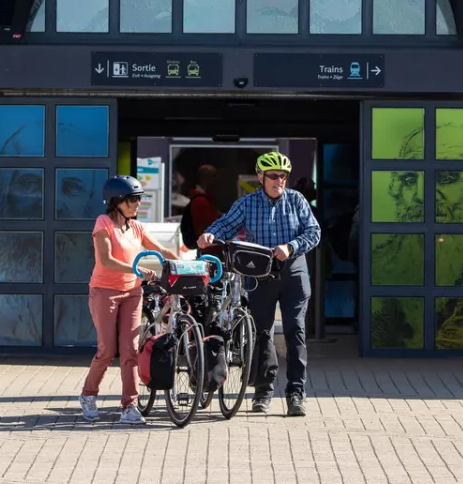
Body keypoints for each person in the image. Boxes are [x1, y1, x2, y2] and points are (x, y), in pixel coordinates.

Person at [197, 151, 321, 417]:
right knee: (261, 334)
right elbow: (226, 223)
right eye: (274, 176)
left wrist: (291, 246)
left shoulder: (296, 200)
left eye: (283, 176)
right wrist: (210, 234)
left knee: (295, 332)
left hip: (293, 272)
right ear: (261, 177)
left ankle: (296, 394)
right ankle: (263, 392)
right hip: (260, 275)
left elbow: (314, 231)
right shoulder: (248, 203)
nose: (279, 181)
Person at [79, 175, 180, 424]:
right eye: (133, 200)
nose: (137, 204)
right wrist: (136, 270)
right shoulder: (103, 223)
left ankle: (130, 406)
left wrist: (184, 262)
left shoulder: (136, 227)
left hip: (133, 292)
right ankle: (88, 394)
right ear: (116, 201)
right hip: (105, 291)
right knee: (107, 350)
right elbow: (107, 260)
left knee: (130, 350)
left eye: (139, 199)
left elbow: (160, 250)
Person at [189, 164, 221, 237]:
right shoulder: (200, 201)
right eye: (214, 176)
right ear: (206, 177)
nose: (217, 179)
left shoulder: (206, 197)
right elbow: (209, 224)